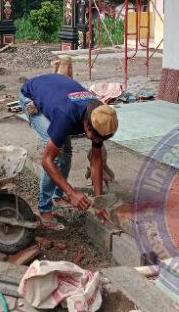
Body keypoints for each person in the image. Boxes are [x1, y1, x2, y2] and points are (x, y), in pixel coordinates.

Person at [19, 74, 119, 230]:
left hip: (55, 90)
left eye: (102, 138)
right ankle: (44, 209)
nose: (97, 141)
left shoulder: (99, 113)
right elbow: (46, 161)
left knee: (66, 153)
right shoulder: (67, 115)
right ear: (86, 124)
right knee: (57, 157)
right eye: (96, 137)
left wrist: (99, 201)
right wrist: (73, 193)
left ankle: (58, 195)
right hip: (30, 95)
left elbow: (96, 159)